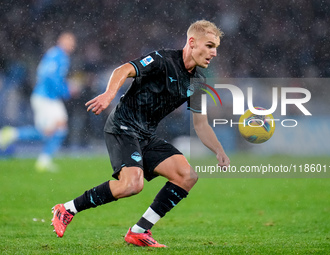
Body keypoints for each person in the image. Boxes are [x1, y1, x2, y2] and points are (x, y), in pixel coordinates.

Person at [51, 20, 230, 247]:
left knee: (187, 177)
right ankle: (66, 209)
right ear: (192, 42)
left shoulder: (198, 82)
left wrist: (219, 151)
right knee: (132, 185)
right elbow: (123, 69)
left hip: (146, 135)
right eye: (210, 46)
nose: (214, 53)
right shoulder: (163, 60)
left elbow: (201, 124)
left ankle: (139, 231)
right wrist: (108, 95)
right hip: (122, 126)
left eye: (216, 48)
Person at [0, 32, 76, 172]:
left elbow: (47, 74)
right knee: (58, 128)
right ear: (61, 41)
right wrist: (65, 90)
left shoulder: (55, 55)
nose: (72, 45)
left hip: (48, 98)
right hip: (46, 98)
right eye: (69, 41)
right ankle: (42, 159)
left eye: (72, 42)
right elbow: (49, 76)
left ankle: (13, 134)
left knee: (48, 131)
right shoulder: (58, 56)